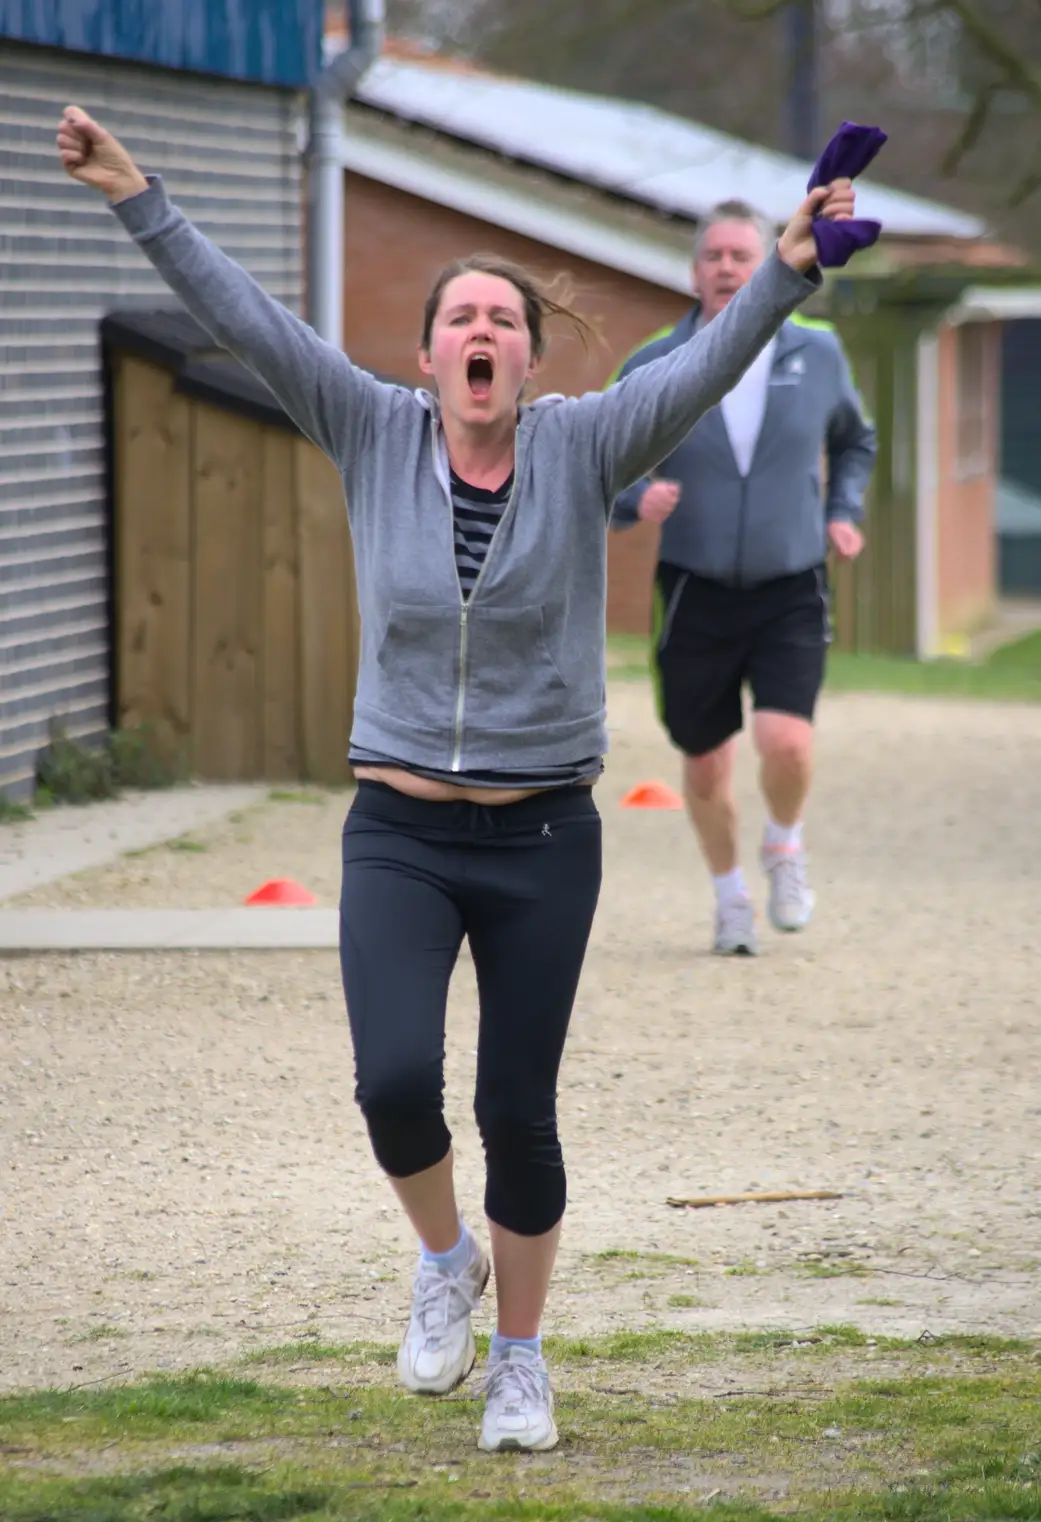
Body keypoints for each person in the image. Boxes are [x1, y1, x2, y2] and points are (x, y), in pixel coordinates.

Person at [57, 106, 862, 1451]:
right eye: (460, 317)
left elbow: (715, 364)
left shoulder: (587, 444)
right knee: (389, 1083)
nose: (481, 331)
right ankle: (444, 1263)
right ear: (429, 352)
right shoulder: (367, 428)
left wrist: (785, 269)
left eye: (502, 317)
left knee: (515, 1108)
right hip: (402, 832)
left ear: (527, 358)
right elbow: (248, 315)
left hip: (545, 833)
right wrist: (135, 189)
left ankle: (523, 1364)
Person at [610, 199, 877, 956]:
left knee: (784, 740)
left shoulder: (817, 355)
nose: (726, 268)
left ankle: (784, 848)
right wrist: (637, 497)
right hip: (694, 587)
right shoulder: (654, 363)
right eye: (712, 257)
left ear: (767, 262)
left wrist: (842, 509)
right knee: (704, 761)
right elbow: (594, 463)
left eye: (740, 255)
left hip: (790, 580)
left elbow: (855, 441)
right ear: (693, 272)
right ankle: (729, 897)